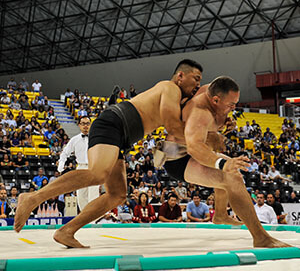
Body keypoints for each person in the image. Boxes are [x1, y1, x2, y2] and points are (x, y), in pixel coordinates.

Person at [14, 59, 202, 248]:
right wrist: (204, 139)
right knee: (98, 173)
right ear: (180, 76)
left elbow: (173, 131)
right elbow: (172, 126)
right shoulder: (171, 88)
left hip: (123, 136)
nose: (198, 85)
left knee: (117, 194)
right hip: (114, 123)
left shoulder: (176, 100)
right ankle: (32, 198)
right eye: (196, 79)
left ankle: (67, 231)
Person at [157, 77, 289, 247]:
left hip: (188, 147)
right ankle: (261, 237)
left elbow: (209, 130)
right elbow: (194, 148)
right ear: (216, 100)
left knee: (229, 168)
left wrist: (223, 125)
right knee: (231, 176)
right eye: (231, 105)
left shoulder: (210, 92)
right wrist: (222, 164)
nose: (233, 108)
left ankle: (219, 214)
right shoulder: (200, 113)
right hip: (177, 159)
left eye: (235, 103)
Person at [57, 116, 99, 211]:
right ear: (79, 125)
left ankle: (93, 220)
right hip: (80, 167)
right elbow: (65, 153)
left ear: (90, 125)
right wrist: (61, 165)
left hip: (94, 167)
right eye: (83, 123)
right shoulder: (74, 140)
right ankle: (85, 218)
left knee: (93, 195)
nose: (85, 126)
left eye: (87, 124)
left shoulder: (97, 138)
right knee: (81, 196)